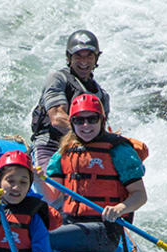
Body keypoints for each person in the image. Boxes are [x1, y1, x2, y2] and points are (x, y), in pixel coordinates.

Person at [42, 93, 147, 252]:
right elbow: (51, 195)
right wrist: (37, 178)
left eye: (92, 119)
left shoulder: (119, 151)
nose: (86, 125)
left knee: (41, 238)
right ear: (72, 122)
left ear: (102, 121)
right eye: (79, 120)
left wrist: (119, 209)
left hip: (105, 230)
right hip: (71, 221)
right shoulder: (65, 152)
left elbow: (140, 196)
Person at [30, 30, 110, 172]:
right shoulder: (58, 79)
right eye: (78, 56)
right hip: (50, 146)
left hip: (83, 150)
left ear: (96, 58)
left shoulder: (102, 96)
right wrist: (87, 134)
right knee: (51, 190)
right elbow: (57, 118)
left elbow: (101, 130)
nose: (84, 61)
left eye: (89, 56)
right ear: (69, 58)